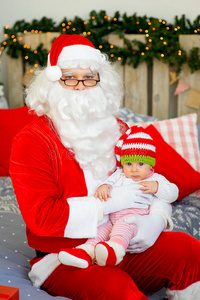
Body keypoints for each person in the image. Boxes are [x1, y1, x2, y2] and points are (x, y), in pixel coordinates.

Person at [9, 34, 200, 300]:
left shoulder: (117, 128)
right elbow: (41, 217)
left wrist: (157, 218)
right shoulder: (31, 141)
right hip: (64, 256)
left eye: (89, 78)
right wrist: (105, 205)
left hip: (122, 240)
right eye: (69, 78)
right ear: (53, 83)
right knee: (116, 289)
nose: (80, 87)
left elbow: (151, 178)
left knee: (191, 251)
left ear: (101, 82)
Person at [58, 125, 179, 268]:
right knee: (99, 232)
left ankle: (114, 251)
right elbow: (108, 183)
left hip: (135, 221)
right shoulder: (119, 174)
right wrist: (104, 187)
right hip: (112, 221)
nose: (134, 169)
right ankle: (84, 253)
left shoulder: (156, 178)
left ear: (150, 164)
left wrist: (157, 188)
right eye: (129, 163)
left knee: (123, 227)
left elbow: (173, 193)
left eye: (140, 164)